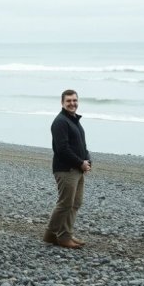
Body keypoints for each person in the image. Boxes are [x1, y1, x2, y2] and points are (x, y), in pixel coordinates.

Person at [44, 89, 91, 249]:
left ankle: (65, 234)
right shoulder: (60, 122)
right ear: (62, 103)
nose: (72, 103)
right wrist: (80, 163)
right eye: (69, 101)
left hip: (77, 168)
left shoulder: (74, 121)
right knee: (65, 203)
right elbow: (62, 149)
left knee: (76, 203)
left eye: (75, 100)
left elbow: (82, 146)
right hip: (65, 169)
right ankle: (55, 235)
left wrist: (88, 160)